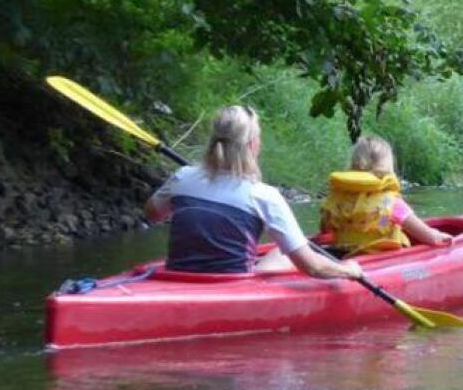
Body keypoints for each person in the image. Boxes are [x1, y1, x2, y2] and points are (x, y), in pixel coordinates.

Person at [143, 105, 362, 279]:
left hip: (177, 277)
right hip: (230, 285)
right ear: (252, 145)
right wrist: (348, 270)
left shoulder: (183, 177)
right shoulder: (263, 196)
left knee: (278, 251)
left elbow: (152, 214)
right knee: (285, 252)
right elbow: (313, 268)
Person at [319, 134, 453, 253]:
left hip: (345, 255)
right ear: (388, 170)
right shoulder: (389, 203)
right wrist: (436, 236)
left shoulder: (338, 200)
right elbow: (426, 235)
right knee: (388, 226)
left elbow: (325, 231)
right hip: (379, 257)